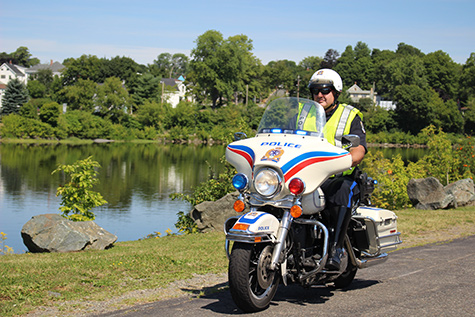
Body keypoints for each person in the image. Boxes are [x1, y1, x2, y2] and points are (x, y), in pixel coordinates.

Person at [307, 68, 367, 271]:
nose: (319, 94)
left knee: (343, 191)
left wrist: (347, 161)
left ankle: (336, 249)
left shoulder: (349, 115)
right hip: (307, 176)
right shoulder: (303, 114)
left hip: (338, 177)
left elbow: (359, 149)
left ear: (336, 92)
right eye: (315, 90)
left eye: (325, 89)